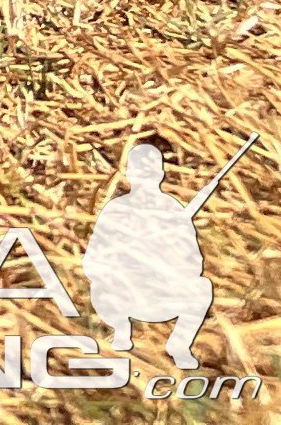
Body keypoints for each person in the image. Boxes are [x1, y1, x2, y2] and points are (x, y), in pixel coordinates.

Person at [83, 142, 215, 368]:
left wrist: (167, 262)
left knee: (201, 288)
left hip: (162, 294)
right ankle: (121, 331)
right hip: (122, 294)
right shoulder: (117, 210)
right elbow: (92, 260)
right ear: (130, 175)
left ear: (160, 174)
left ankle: (179, 345)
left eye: (150, 172)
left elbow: (194, 262)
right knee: (100, 285)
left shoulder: (173, 210)